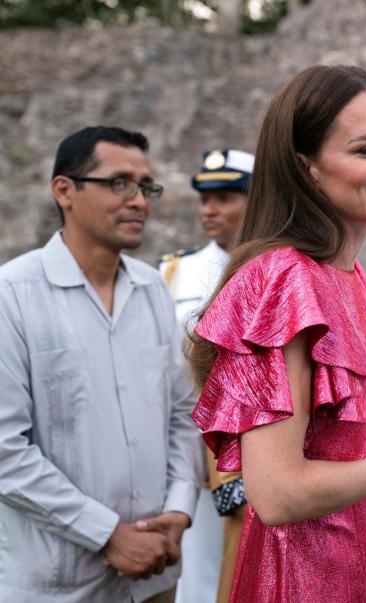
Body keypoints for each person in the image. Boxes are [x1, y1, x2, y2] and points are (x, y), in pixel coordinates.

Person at [188, 64, 366, 602]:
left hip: (350, 566)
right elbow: (278, 494)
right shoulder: (283, 281)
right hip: (297, 581)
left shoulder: (347, 277)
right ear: (307, 168)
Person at [0, 126, 202, 602]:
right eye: (118, 183)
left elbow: (182, 413)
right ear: (64, 191)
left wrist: (178, 509)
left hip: (155, 573)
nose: (139, 201)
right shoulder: (13, 294)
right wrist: (107, 533)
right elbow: (5, 449)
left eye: (146, 186)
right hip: (57, 582)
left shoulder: (152, 289)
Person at [159, 148, 253, 603]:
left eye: (225, 196)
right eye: (204, 198)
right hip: (197, 451)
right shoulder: (174, 273)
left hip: (262, 449)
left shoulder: (275, 268)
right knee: (200, 572)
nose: (209, 209)